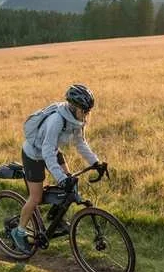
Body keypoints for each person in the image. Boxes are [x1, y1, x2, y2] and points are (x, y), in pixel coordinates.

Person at [11, 83, 105, 251]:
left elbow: (80, 142)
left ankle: (55, 215)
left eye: (88, 111)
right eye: (85, 110)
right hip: (34, 154)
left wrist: (95, 162)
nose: (87, 114)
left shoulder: (76, 120)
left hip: (51, 151)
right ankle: (19, 232)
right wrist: (61, 178)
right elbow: (46, 153)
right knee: (36, 197)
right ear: (74, 106)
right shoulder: (57, 120)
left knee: (71, 185)